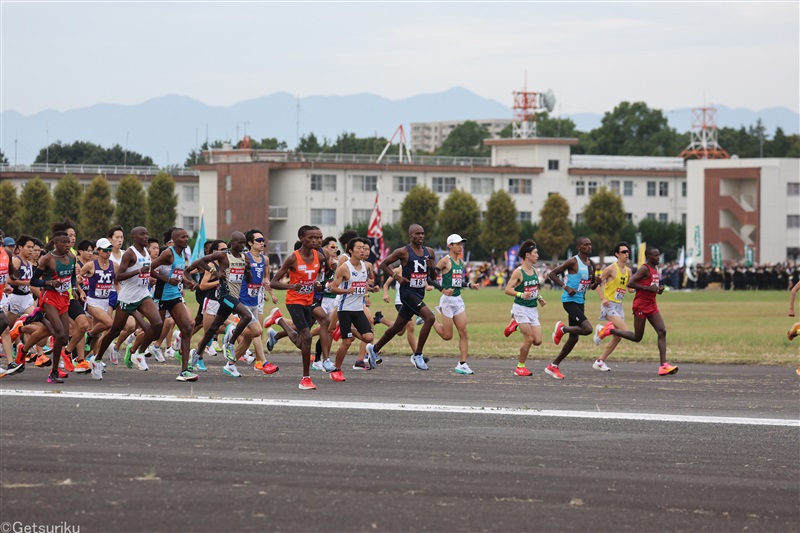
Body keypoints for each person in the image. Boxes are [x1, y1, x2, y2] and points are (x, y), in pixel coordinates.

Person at [366, 224, 446, 371]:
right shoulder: (403, 252)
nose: (421, 236)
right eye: (417, 234)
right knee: (430, 318)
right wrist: (396, 277)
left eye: (422, 233)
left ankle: (374, 349)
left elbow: (434, 277)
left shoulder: (430, 252)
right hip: (407, 294)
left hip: (419, 292)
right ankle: (418, 354)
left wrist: (431, 266)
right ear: (410, 235)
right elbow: (383, 265)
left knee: (397, 326)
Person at [92, 227, 168, 381]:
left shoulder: (146, 252)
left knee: (158, 323)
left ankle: (139, 353)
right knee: (115, 330)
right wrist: (138, 271)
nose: (146, 236)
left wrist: (158, 278)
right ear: (134, 237)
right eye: (142, 234)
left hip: (143, 294)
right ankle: (97, 359)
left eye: (147, 234)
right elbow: (119, 276)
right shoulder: (130, 253)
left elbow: (149, 270)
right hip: (128, 297)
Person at [184, 231, 257, 379]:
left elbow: (248, 281)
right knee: (247, 316)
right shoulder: (224, 255)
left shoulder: (244, 257)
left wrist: (248, 269)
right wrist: (214, 272)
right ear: (232, 242)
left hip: (234, 296)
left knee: (212, 329)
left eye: (244, 243)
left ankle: (196, 354)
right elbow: (201, 261)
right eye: (240, 243)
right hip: (224, 295)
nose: (242, 246)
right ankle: (229, 344)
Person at [597, 247, 679, 376]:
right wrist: (648, 288)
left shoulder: (655, 269)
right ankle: (609, 330)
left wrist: (658, 290)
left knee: (662, 331)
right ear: (649, 257)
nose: (658, 257)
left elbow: (649, 287)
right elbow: (631, 283)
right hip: (641, 306)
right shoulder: (644, 268)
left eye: (659, 255)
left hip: (652, 305)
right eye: (655, 255)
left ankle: (663, 365)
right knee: (637, 337)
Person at [269, 225, 327, 390]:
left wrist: (318, 284)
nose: (316, 241)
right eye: (312, 238)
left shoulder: (320, 257)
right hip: (294, 301)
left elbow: (321, 276)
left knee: (302, 342)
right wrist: (291, 287)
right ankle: (305, 379)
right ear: (302, 239)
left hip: (309, 301)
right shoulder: (293, 258)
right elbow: (274, 282)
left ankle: (279, 320)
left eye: (318, 237)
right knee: (307, 337)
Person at [545, 236, 599, 379]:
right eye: (586, 245)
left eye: (590, 244)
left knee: (574, 338)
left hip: (580, 301)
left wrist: (597, 283)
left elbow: (590, 286)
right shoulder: (573, 261)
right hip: (569, 300)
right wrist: (566, 287)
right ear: (579, 247)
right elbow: (552, 274)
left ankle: (553, 365)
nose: (589, 247)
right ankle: (562, 329)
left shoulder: (592, 264)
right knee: (588, 329)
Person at [27, 231, 75, 383]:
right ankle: (53, 372)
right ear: (56, 243)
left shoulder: (72, 257)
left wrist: (73, 287)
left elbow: (72, 275)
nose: (67, 245)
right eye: (64, 242)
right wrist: (49, 283)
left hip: (64, 298)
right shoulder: (48, 258)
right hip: (49, 298)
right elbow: (33, 281)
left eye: (68, 242)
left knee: (65, 338)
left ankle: (41, 318)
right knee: (59, 334)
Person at [149, 228, 197, 379]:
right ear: (175, 239)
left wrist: (188, 282)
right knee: (156, 330)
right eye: (183, 237)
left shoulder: (182, 253)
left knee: (187, 328)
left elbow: (177, 273)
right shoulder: (168, 253)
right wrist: (167, 280)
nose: (186, 239)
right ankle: (136, 347)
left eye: (187, 236)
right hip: (161, 296)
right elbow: (149, 269)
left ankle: (184, 371)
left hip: (175, 296)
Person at [327, 237, 375, 382]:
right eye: (359, 248)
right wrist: (346, 291)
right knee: (347, 343)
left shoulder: (365, 266)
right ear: (350, 250)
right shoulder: (344, 268)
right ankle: (336, 369)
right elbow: (332, 288)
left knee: (368, 337)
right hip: (345, 309)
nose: (362, 251)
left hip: (358, 309)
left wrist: (371, 289)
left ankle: (345, 330)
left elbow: (362, 285)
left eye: (364, 248)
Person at [432, 234, 479, 375]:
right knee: (447, 336)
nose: (460, 246)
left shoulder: (460, 262)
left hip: (458, 300)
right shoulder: (444, 261)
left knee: (463, 332)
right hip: (447, 301)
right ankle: (430, 317)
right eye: (457, 244)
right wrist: (442, 290)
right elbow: (431, 277)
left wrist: (470, 284)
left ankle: (462, 364)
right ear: (450, 246)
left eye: (461, 244)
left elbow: (458, 282)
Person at [503, 239, 547, 377]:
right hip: (520, 308)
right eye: (535, 253)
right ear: (528, 255)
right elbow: (508, 290)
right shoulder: (518, 272)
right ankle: (520, 367)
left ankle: (515, 325)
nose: (537, 255)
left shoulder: (534, 270)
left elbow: (533, 289)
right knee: (529, 339)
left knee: (537, 341)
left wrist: (539, 298)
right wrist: (522, 294)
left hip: (532, 309)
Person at [591, 241, 633, 371]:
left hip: (619, 306)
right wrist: (602, 298)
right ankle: (601, 331)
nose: (627, 254)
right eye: (623, 252)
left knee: (618, 336)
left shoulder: (628, 271)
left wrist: (646, 289)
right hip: (609, 305)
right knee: (626, 332)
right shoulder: (610, 269)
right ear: (617, 254)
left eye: (628, 252)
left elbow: (630, 289)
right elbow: (596, 283)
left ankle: (600, 361)